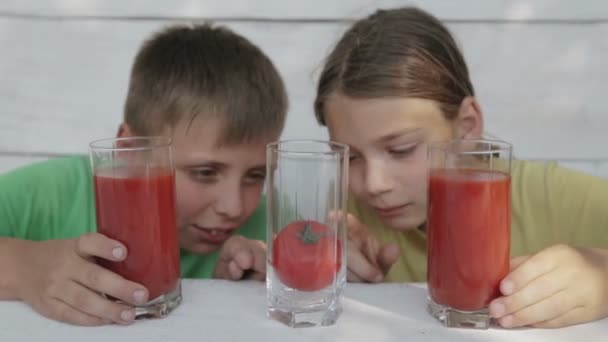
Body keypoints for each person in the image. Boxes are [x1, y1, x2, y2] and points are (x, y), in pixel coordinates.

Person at [314, 6, 608, 328]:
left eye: (401, 149)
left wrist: (602, 275)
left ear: (467, 126)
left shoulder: (548, 195)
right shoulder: (342, 216)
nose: (373, 184)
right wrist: (316, 263)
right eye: (350, 157)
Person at [0, 23, 288, 326]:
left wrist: (242, 285)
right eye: (205, 172)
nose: (234, 207)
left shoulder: (267, 230)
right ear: (129, 150)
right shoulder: (51, 192)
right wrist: (22, 266)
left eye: (256, 175)